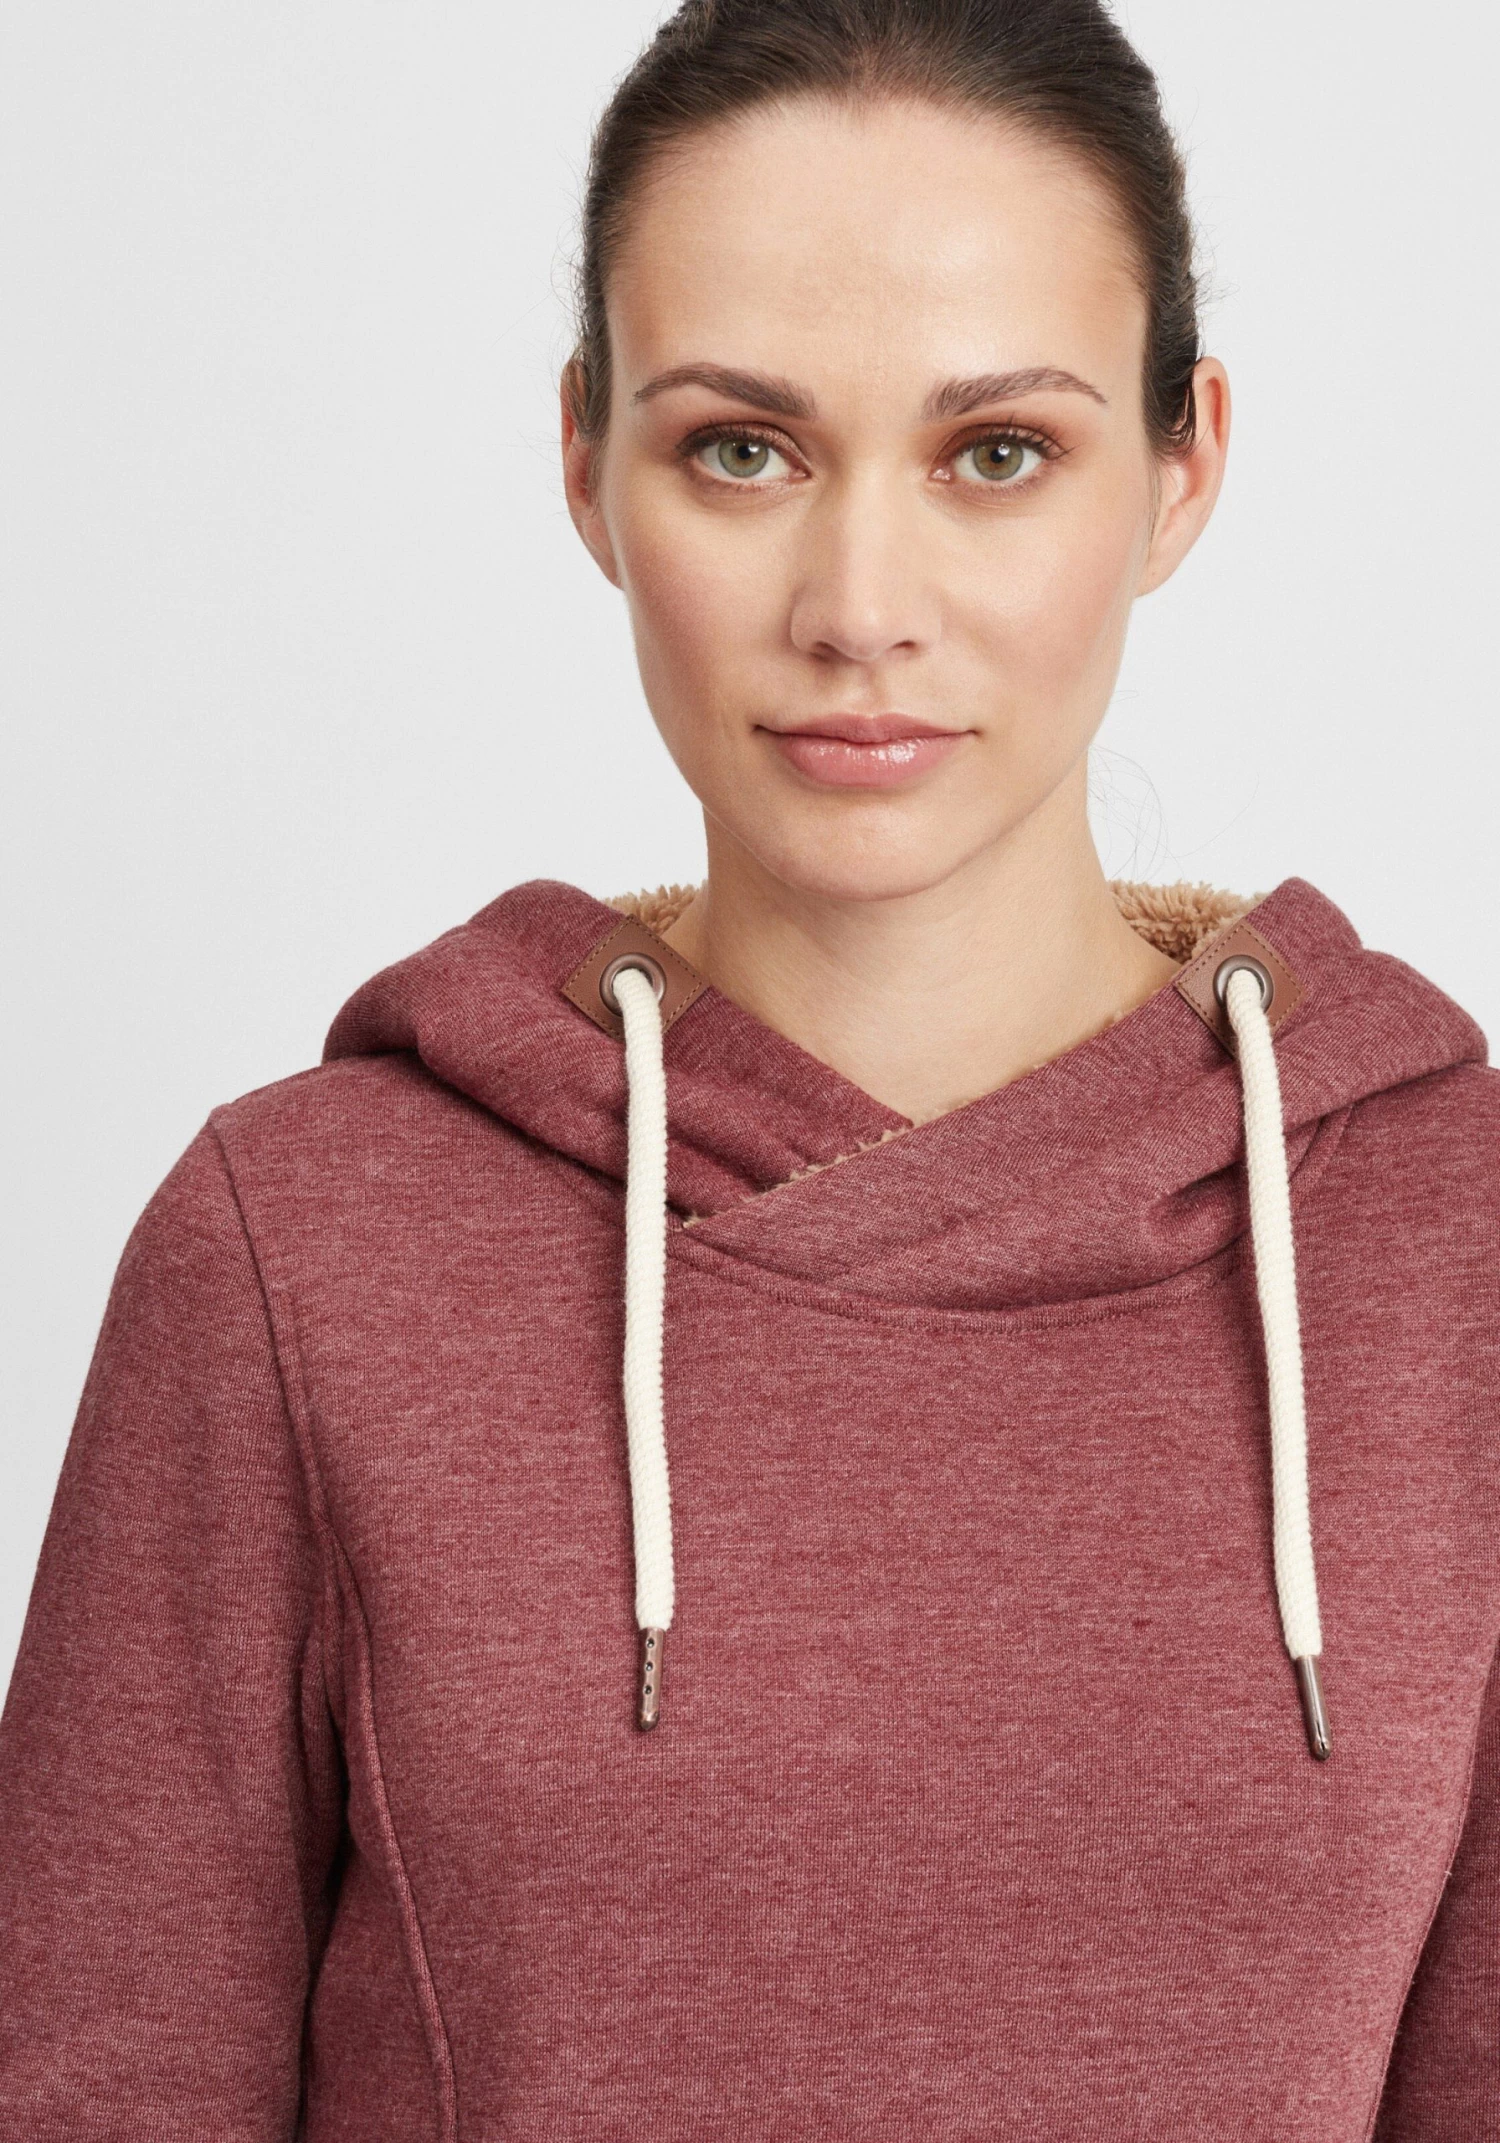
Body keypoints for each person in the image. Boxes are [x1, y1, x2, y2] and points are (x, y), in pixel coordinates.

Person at [1, 0, 1496, 2134]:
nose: (859, 605)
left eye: (999, 452)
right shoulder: (299, 1249)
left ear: (1182, 467)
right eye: (741, 449)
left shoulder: (1455, 1244)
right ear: (587, 464)